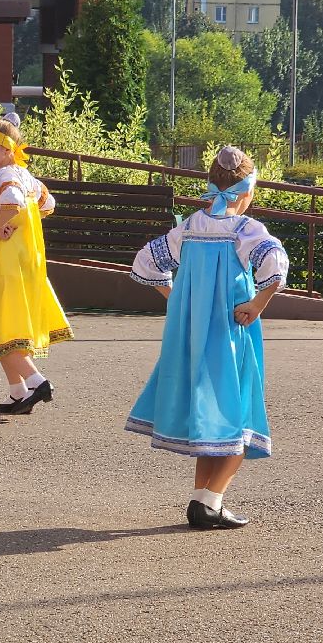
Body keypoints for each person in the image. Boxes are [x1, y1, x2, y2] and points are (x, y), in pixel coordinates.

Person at [125, 146, 288, 530]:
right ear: (247, 192)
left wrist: (177, 298)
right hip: (231, 332)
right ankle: (211, 501)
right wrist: (257, 303)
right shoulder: (245, 229)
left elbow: (145, 261)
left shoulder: (190, 226)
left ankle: (202, 501)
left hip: (192, 335)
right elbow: (275, 264)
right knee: (239, 416)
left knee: (210, 417)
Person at [0, 115, 73, 414]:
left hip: (5, 258)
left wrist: (1, 222)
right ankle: (18, 392)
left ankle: (37, 382)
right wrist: (24, 223)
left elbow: (13, 198)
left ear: (8, 149)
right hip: (25, 258)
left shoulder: (5, 175)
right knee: (6, 325)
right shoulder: (26, 174)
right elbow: (48, 204)